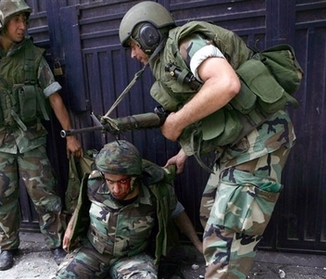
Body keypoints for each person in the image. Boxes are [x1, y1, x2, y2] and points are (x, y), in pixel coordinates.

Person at [119, 1, 297, 278]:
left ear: (148, 34)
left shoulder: (187, 44)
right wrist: (183, 152)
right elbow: (207, 108)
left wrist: (176, 122)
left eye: (133, 45)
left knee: (223, 237)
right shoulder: (171, 59)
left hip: (258, 142)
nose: (133, 54)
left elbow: (226, 84)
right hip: (236, 147)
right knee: (210, 212)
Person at [0, 0, 83, 271]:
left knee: (45, 195)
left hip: (31, 140)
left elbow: (55, 98)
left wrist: (70, 135)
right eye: (16, 20)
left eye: (24, 20)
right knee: (2, 198)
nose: (22, 26)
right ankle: (7, 246)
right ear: (0, 24)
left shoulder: (33, 56)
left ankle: (54, 241)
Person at [54, 140, 203, 278]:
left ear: (134, 176)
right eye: (110, 181)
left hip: (133, 257)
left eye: (122, 181)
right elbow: (82, 205)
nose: (116, 188)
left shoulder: (155, 193)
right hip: (93, 252)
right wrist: (71, 227)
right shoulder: (94, 183)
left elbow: (178, 213)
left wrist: (198, 245)